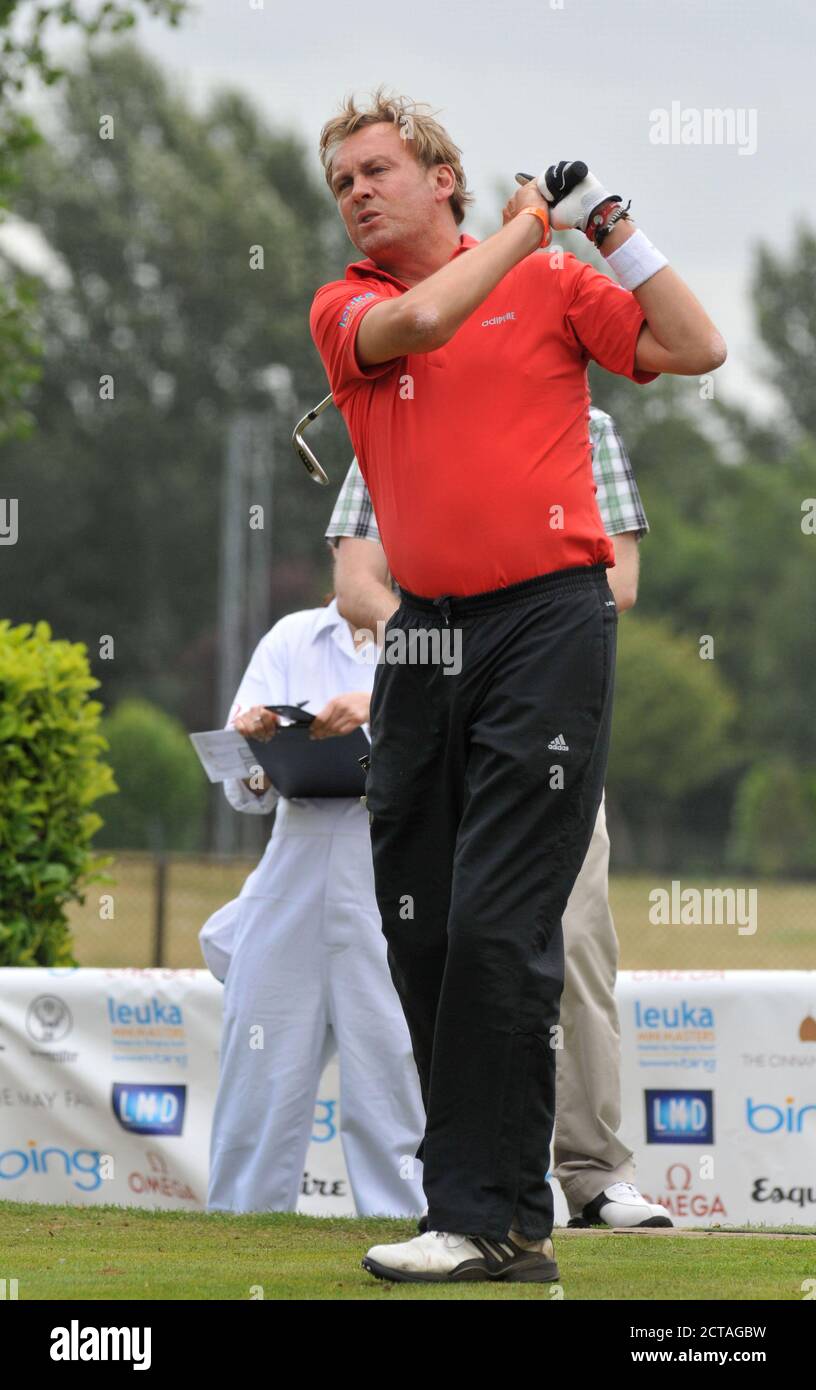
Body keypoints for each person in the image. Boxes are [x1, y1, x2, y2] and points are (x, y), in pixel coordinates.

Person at [310, 87, 725, 1284]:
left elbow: (698, 348)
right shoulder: (351, 304)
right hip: (427, 638)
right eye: (343, 180)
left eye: (377, 169)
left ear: (442, 178)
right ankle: (483, 1210)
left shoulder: (552, 282)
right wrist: (528, 224)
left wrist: (611, 232)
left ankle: (494, 1222)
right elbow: (432, 320)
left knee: (501, 922)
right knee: (424, 930)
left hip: (547, 620)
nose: (358, 192)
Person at [325, 409, 672, 1231]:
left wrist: (492, 641)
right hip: (428, 726)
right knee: (442, 947)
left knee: (576, 945)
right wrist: (451, 655)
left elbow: (615, 581)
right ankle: (466, 1176)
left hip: (543, 729)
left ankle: (593, 1172)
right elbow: (357, 585)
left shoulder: (582, 424)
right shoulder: (390, 419)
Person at [200, 596, 425, 1221]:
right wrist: (257, 751)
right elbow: (239, 781)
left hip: (390, 862)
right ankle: (237, 1228)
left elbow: (455, 744)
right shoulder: (291, 636)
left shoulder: (436, 634)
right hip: (291, 861)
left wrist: (377, 711)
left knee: (391, 1067)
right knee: (259, 1070)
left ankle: (407, 1227)